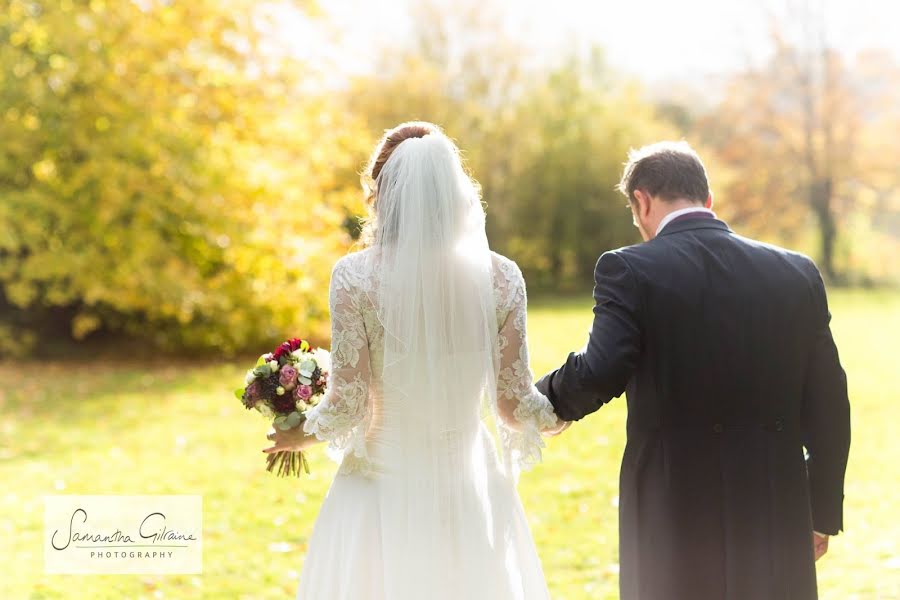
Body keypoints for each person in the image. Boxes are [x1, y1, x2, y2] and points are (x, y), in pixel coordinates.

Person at [535, 141, 851, 600]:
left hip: (674, 505)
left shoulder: (628, 268)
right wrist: (820, 511)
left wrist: (543, 400)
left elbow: (601, 371)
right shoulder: (796, 271)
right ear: (708, 200)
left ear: (641, 201)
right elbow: (828, 403)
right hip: (776, 506)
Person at [264, 122, 565, 600]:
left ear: (381, 195)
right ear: (455, 192)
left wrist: (292, 436)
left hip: (383, 487)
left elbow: (348, 406)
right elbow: (512, 406)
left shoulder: (355, 277)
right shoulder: (503, 277)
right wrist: (557, 412)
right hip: (467, 488)